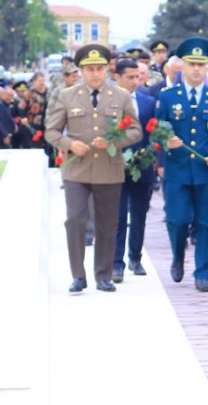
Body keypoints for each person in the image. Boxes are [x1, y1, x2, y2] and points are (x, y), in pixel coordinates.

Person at [45, 43, 143, 293]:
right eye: (89, 69)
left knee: (107, 223)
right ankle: (78, 275)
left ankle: (103, 275)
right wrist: (69, 144)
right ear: (80, 71)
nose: (95, 74)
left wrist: (114, 141)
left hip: (108, 169)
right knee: (75, 220)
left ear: (107, 70)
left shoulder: (120, 96)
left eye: (99, 68)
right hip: (76, 169)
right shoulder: (67, 96)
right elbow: (52, 131)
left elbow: (135, 130)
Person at [155, 37, 208, 291]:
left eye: (201, 64)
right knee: (176, 221)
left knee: (205, 223)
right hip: (177, 172)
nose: (196, 69)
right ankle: (178, 256)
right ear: (182, 66)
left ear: (207, 67)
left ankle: (203, 273)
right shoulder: (167, 97)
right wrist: (167, 142)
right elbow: (156, 131)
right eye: (192, 64)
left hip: (206, 171)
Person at [110, 57, 157, 283]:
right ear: (116, 77)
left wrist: (151, 156)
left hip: (143, 166)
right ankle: (116, 263)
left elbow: (154, 133)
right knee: (118, 217)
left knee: (139, 214)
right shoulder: (108, 102)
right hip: (116, 166)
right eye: (129, 77)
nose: (134, 82)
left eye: (137, 77)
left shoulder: (148, 101)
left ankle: (135, 258)